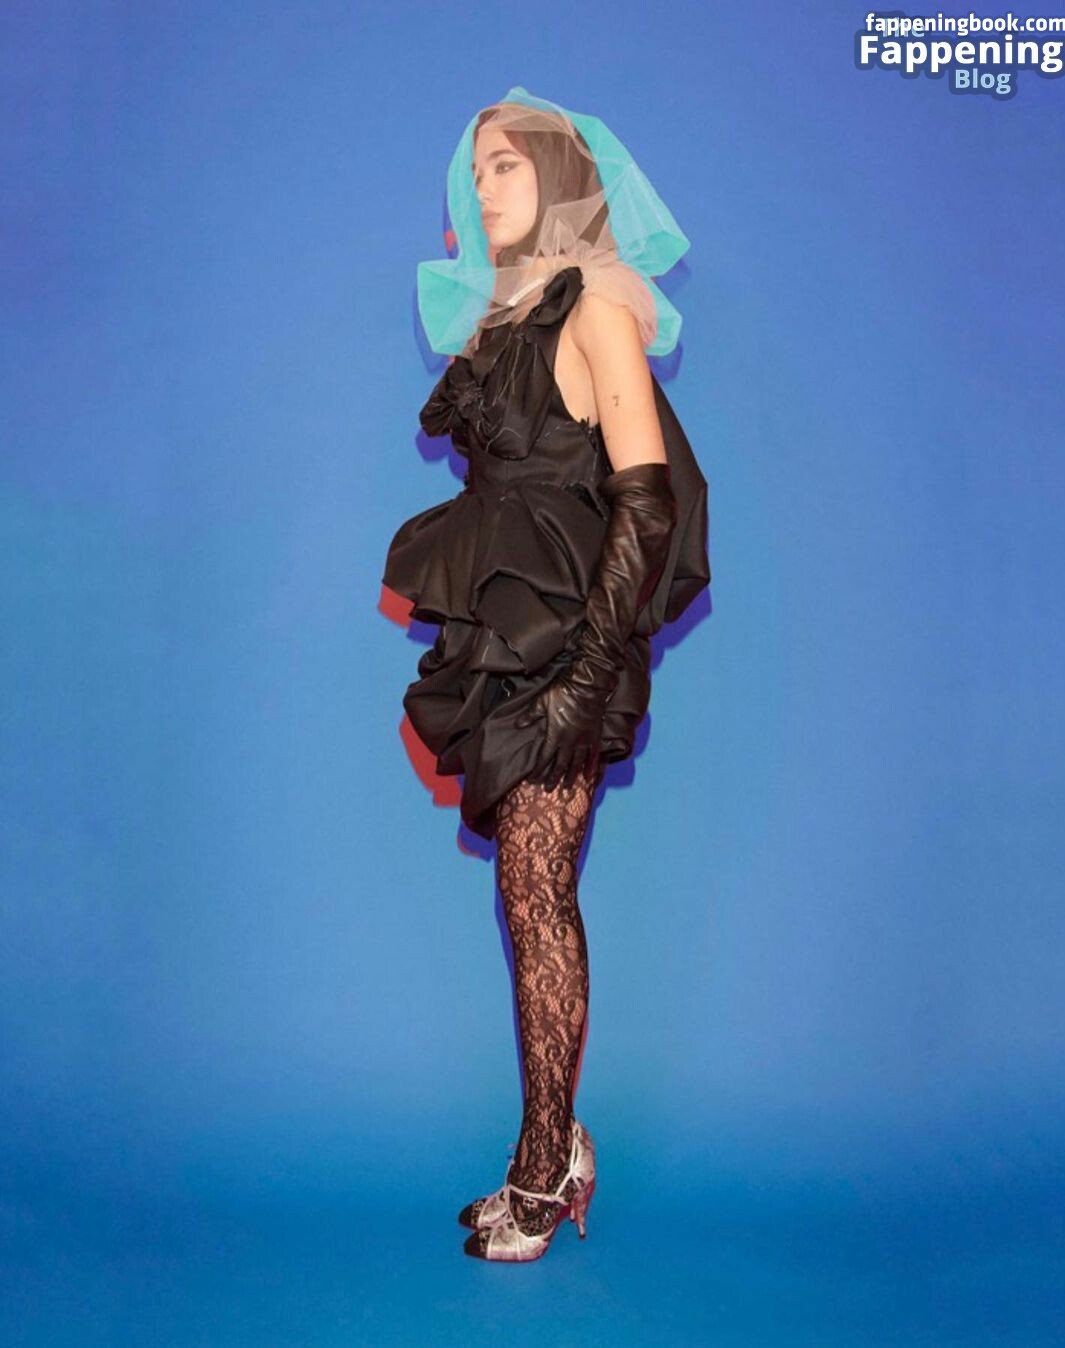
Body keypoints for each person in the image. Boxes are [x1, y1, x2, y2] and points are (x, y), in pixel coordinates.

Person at [382, 88, 710, 1261]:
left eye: (508, 165)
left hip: (576, 641)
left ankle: (544, 1164)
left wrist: (587, 673)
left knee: (535, 889)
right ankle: (552, 1145)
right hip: (505, 642)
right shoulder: (500, 324)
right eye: (475, 169)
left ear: (561, 174)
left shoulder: (599, 308)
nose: (484, 187)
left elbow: (647, 502)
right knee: (527, 894)